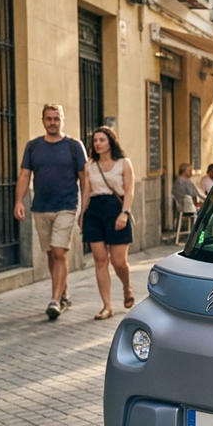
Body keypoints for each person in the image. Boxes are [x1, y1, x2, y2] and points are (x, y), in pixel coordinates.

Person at [14, 104, 88, 320]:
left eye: (56, 118)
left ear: (62, 120)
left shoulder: (74, 146)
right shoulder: (33, 147)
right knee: (50, 254)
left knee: (59, 251)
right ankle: (64, 293)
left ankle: (55, 300)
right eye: (49, 119)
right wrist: (19, 201)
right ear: (43, 120)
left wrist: (84, 208)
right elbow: (25, 175)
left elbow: (84, 178)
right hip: (40, 207)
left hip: (66, 205)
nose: (53, 122)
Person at [80, 127, 136, 319]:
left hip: (116, 209)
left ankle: (127, 287)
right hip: (94, 211)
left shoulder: (123, 163)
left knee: (119, 261)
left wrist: (124, 213)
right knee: (100, 260)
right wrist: (82, 214)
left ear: (110, 142)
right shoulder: (90, 166)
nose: (97, 143)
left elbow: (129, 191)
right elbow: (86, 192)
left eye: (102, 140)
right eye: (95, 140)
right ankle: (107, 306)